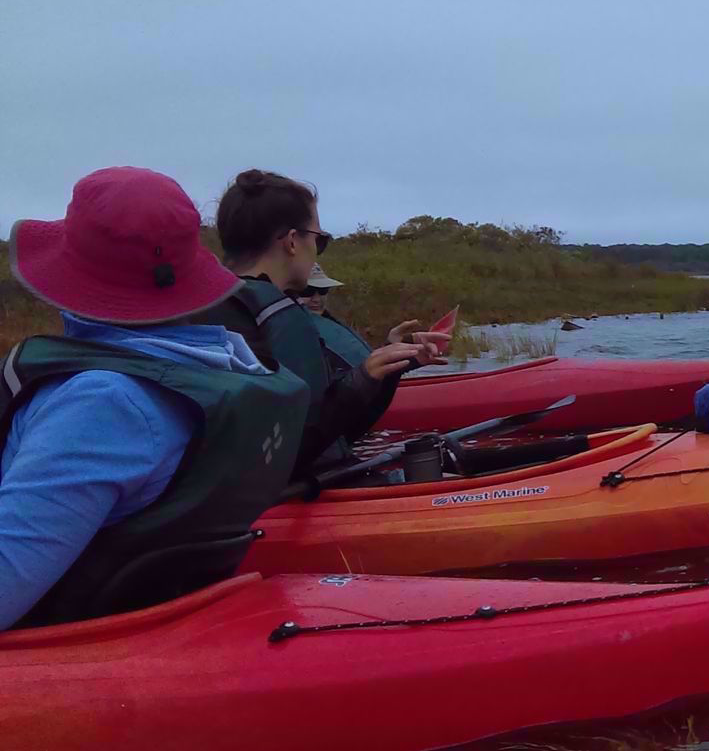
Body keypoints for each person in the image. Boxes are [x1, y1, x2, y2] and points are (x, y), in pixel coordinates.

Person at [1, 167, 309, 628]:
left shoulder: (102, 405)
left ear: (72, 276)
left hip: (56, 654)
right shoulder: (227, 364)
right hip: (143, 631)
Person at [197, 169, 443, 477]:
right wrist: (361, 381)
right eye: (319, 239)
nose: (317, 250)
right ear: (291, 242)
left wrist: (385, 369)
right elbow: (306, 447)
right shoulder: (280, 317)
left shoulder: (200, 304)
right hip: (286, 500)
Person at [301, 264, 371, 373]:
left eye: (323, 291)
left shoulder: (332, 324)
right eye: (307, 291)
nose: (317, 299)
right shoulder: (292, 335)